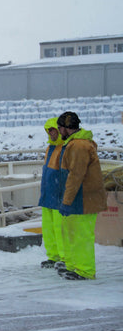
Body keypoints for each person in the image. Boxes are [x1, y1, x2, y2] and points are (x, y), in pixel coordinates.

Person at [56, 111, 107, 280]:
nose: (58, 130)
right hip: (77, 199)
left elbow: (76, 175)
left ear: (66, 128)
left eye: (60, 127)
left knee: (81, 236)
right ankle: (73, 266)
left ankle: (85, 270)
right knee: (71, 233)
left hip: (84, 199)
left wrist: (67, 200)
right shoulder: (74, 144)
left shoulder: (78, 146)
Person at [37, 117, 65, 269]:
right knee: (48, 229)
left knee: (60, 229)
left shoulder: (64, 148)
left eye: (53, 130)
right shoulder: (50, 148)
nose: (51, 133)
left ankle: (64, 257)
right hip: (48, 194)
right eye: (49, 131)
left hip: (59, 195)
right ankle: (53, 256)